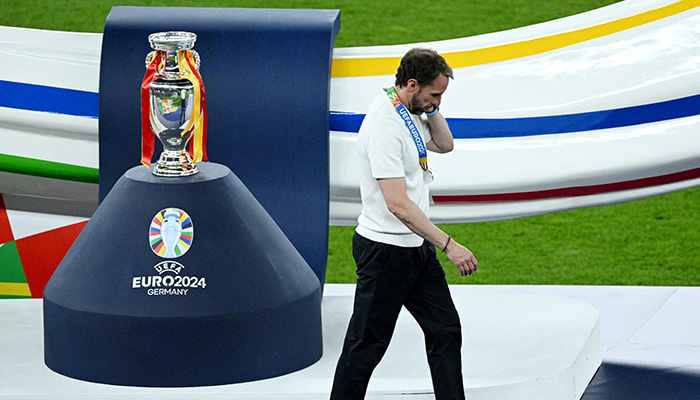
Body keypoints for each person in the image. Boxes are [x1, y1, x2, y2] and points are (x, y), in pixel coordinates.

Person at [330, 48, 478, 400]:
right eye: (435, 94)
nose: (438, 102)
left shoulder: (409, 111)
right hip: (384, 253)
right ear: (412, 85)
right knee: (366, 346)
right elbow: (397, 203)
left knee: (444, 330)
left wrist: (433, 107)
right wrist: (448, 245)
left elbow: (444, 144)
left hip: (413, 248)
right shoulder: (384, 126)